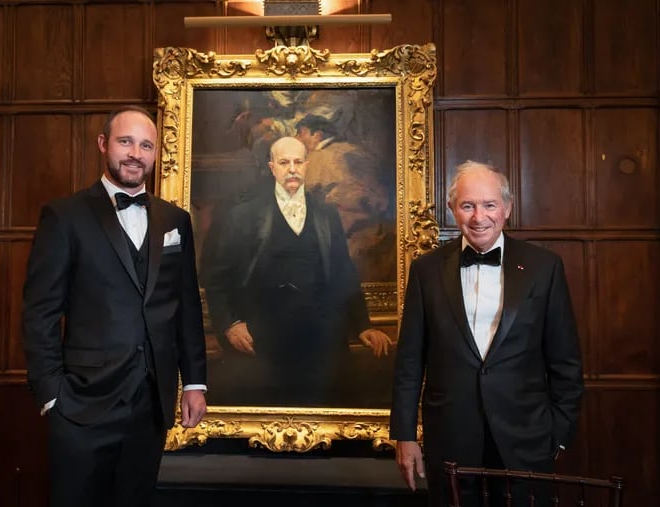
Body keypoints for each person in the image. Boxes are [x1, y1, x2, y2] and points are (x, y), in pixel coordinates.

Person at [21, 106, 208, 507]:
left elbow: (186, 306)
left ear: (156, 154)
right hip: (81, 403)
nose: (135, 153)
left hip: (150, 404)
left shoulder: (176, 220)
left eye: (146, 145)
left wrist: (194, 382)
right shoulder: (65, 216)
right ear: (104, 144)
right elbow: (40, 311)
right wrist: (52, 393)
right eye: (126, 141)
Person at [389, 161, 584, 507]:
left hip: (527, 439)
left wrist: (558, 434)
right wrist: (405, 436)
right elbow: (409, 362)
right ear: (452, 209)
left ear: (507, 208)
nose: (479, 217)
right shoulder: (426, 271)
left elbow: (565, 360)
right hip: (449, 440)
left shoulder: (544, 267)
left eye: (489, 205)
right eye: (468, 206)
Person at [202, 136, 392, 407]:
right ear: (272, 168)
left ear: (307, 165)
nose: (291, 168)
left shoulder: (327, 215)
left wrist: (362, 325)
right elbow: (217, 278)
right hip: (262, 340)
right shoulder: (242, 216)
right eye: (283, 162)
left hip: (321, 340)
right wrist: (230, 324)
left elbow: (344, 274)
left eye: (298, 162)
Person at [295, 113, 395, 281]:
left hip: (347, 238)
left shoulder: (319, 158)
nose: (296, 138)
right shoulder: (354, 149)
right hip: (378, 232)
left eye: (300, 133)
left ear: (317, 135)